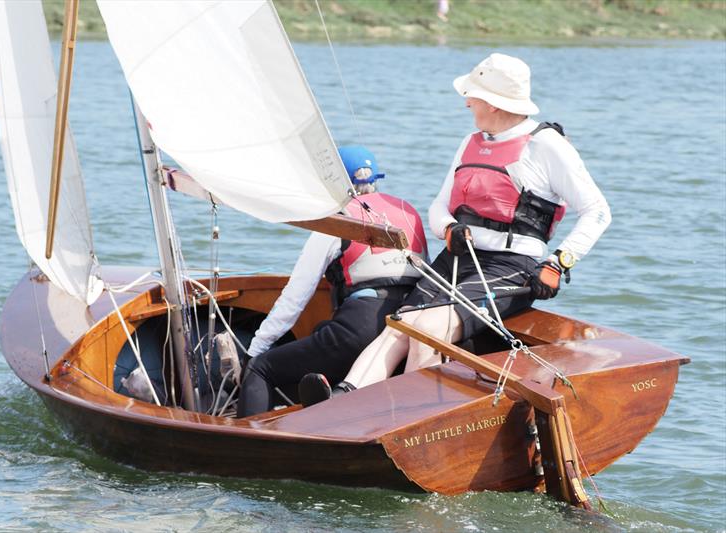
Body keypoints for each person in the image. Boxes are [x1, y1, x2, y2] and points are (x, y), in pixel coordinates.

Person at [301, 52, 611, 401]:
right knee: (400, 324)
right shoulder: (470, 142)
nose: (467, 104)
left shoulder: (546, 146)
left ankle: (412, 415)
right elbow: (439, 206)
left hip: (512, 267)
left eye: (472, 96)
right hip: (460, 258)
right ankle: (344, 398)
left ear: (493, 104)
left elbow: (598, 212)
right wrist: (448, 227)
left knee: (427, 329)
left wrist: (558, 262)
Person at [236, 145, 429, 417]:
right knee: (321, 345)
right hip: (407, 328)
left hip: (359, 328)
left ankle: (248, 450)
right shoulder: (408, 212)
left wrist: (253, 352)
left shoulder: (338, 221)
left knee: (263, 368)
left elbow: (295, 298)